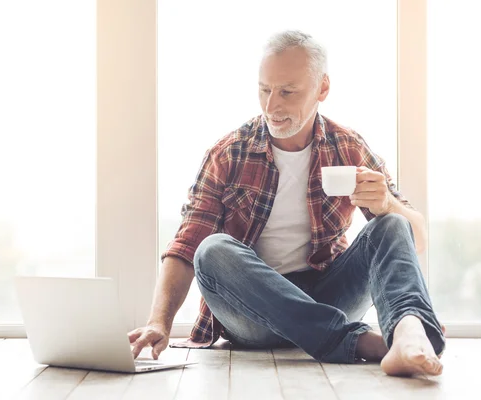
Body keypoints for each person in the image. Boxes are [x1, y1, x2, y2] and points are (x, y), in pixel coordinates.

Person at [127, 30, 445, 377]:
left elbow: (416, 238)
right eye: (264, 90)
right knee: (211, 250)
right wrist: (158, 323)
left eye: (287, 92)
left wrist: (387, 204)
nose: (271, 106)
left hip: (328, 296)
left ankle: (408, 332)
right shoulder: (229, 152)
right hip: (254, 313)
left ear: (322, 88)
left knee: (392, 222)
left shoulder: (348, 147)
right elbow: (186, 247)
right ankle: (361, 342)